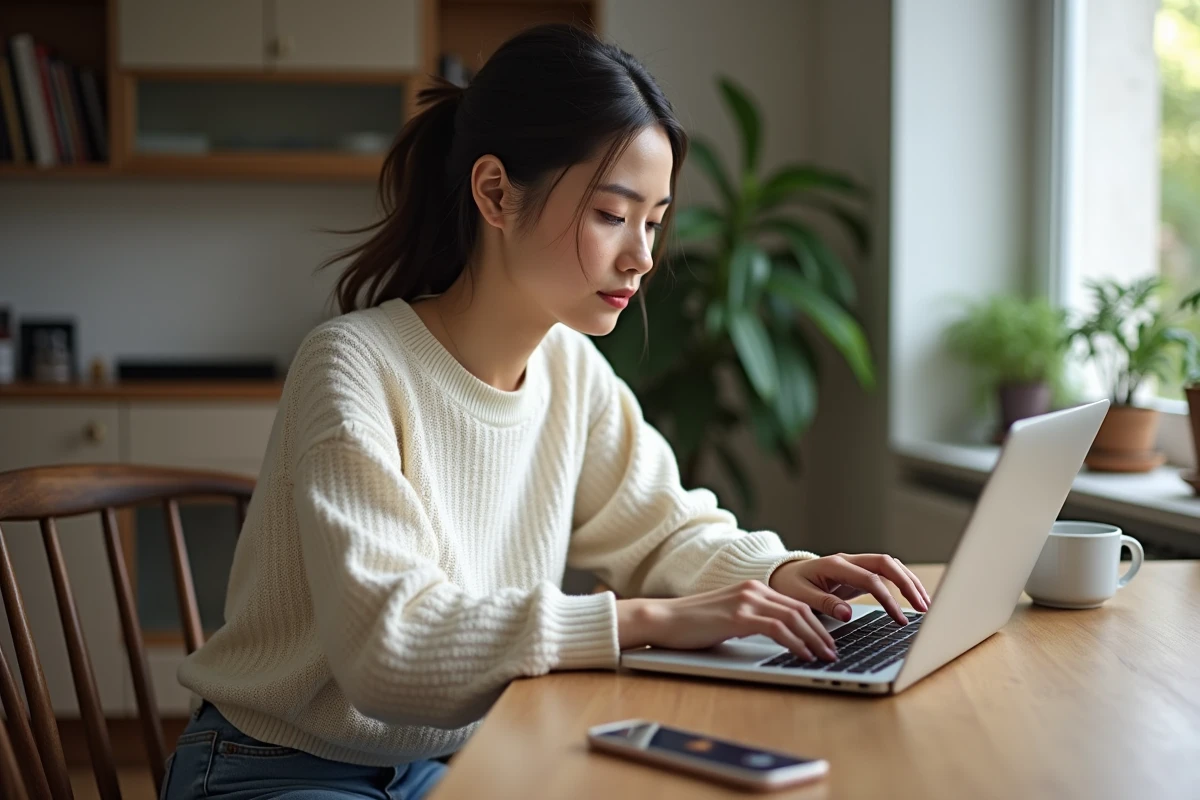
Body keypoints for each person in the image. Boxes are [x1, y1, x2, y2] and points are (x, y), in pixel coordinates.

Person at [161, 23, 930, 800]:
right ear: (495, 192)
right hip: (273, 766)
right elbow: (389, 652)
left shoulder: (567, 369)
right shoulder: (352, 364)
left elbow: (663, 527)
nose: (642, 257)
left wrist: (781, 572)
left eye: (654, 220)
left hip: (442, 761)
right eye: (611, 214)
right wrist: (647, 621)